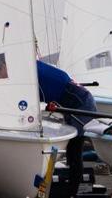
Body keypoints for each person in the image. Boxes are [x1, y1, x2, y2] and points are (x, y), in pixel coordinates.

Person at [38, 60, 96, 197]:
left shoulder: (29, 72)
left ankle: (72, 193)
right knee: (71, 153)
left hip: (83, 104)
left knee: (74, 152)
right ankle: (68, 190)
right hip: (72, 103)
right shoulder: (30, 68)